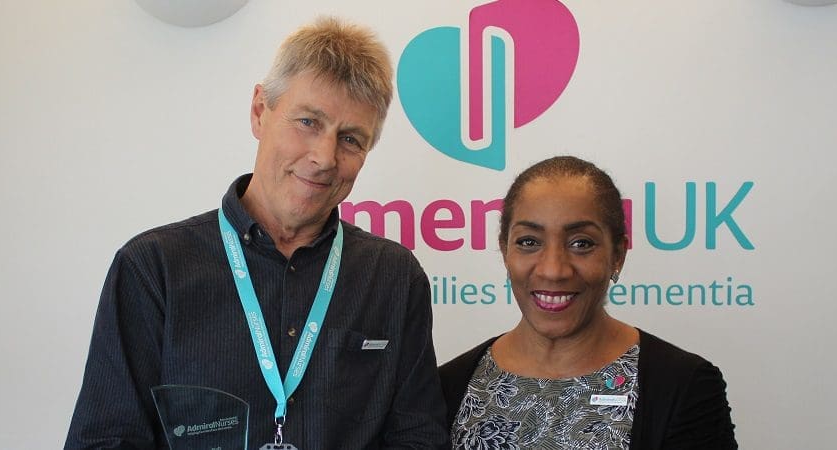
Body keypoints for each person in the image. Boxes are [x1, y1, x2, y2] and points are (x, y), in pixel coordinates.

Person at [65, 17, 448, 449]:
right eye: (308, 122)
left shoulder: (394, 277)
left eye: (350, 139)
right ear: (260, 112)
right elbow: (105, 440)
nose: (323, 157)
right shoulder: (153, 269)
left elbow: (418, 438)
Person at [439, 156, 737, 449]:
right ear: (505, 250)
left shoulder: (683, 386)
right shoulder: (449, 385)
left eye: (581, 243)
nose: (553, 270)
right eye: (529, 242)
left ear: (618, 254)